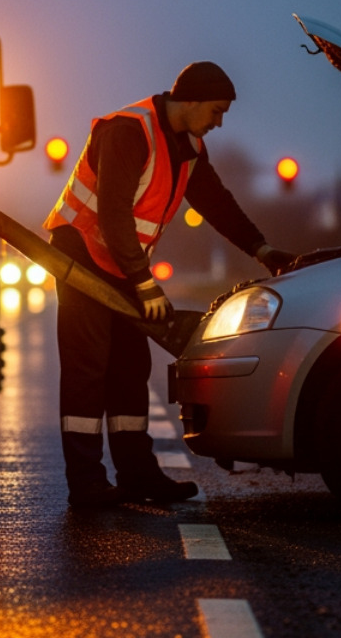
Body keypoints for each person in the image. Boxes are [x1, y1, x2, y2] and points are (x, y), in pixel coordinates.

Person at [43, 61, 299, 508]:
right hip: (81, 254)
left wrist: (260, 248)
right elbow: (113, 215)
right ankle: (86, 484)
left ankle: (137, 474)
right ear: (192, 100)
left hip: (119, 262)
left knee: (128, 366)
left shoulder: (188, 145)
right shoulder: (129, 131)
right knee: (88, 369)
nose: (219, 122)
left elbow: (217, 202)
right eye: (216, 111)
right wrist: (144, 284)